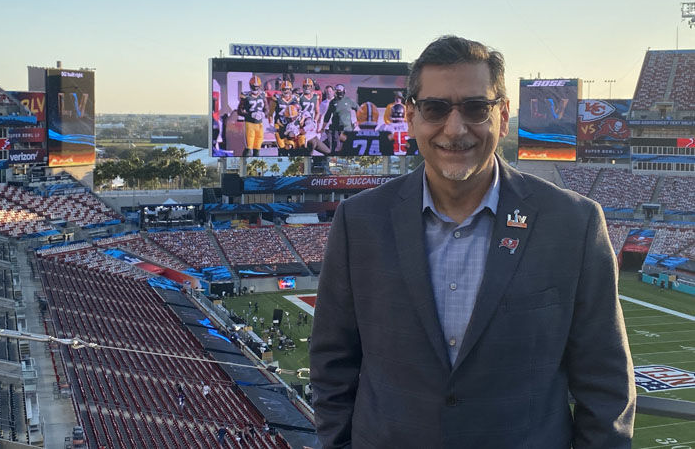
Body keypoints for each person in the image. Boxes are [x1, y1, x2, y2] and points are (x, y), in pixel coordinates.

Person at [310, 35, 635, 448]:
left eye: (475, 108)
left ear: (503, 114)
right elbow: (331, 364)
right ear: (410, 116)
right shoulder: (360, 222)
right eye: (435, 108)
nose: (455, 128)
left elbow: (604, 383)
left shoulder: (573, 223)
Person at [321, 84, 359, 153]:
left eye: (341, 92)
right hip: (336, 129)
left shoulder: (348, 100)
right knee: (337, 148)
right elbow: (327, 115)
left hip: (348, 129)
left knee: (349, 148)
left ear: (344, 92)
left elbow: (358, 109)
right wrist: (323, 127)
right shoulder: (333, 102)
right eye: (338, 92)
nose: (339, 94)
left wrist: (358, 121)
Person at [237, 75, 268, 157]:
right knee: (248, 149)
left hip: (260, 124)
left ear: (260, 86)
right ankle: (244, 165)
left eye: (257, 87)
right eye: (254, 87)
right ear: (250, 86)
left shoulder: (263, 95)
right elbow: (239, 111)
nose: (255, 88)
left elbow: (266, 109)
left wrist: (264, 114)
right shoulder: (246, 95)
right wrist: (250, 114)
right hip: (249, 124)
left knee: (257, 150)